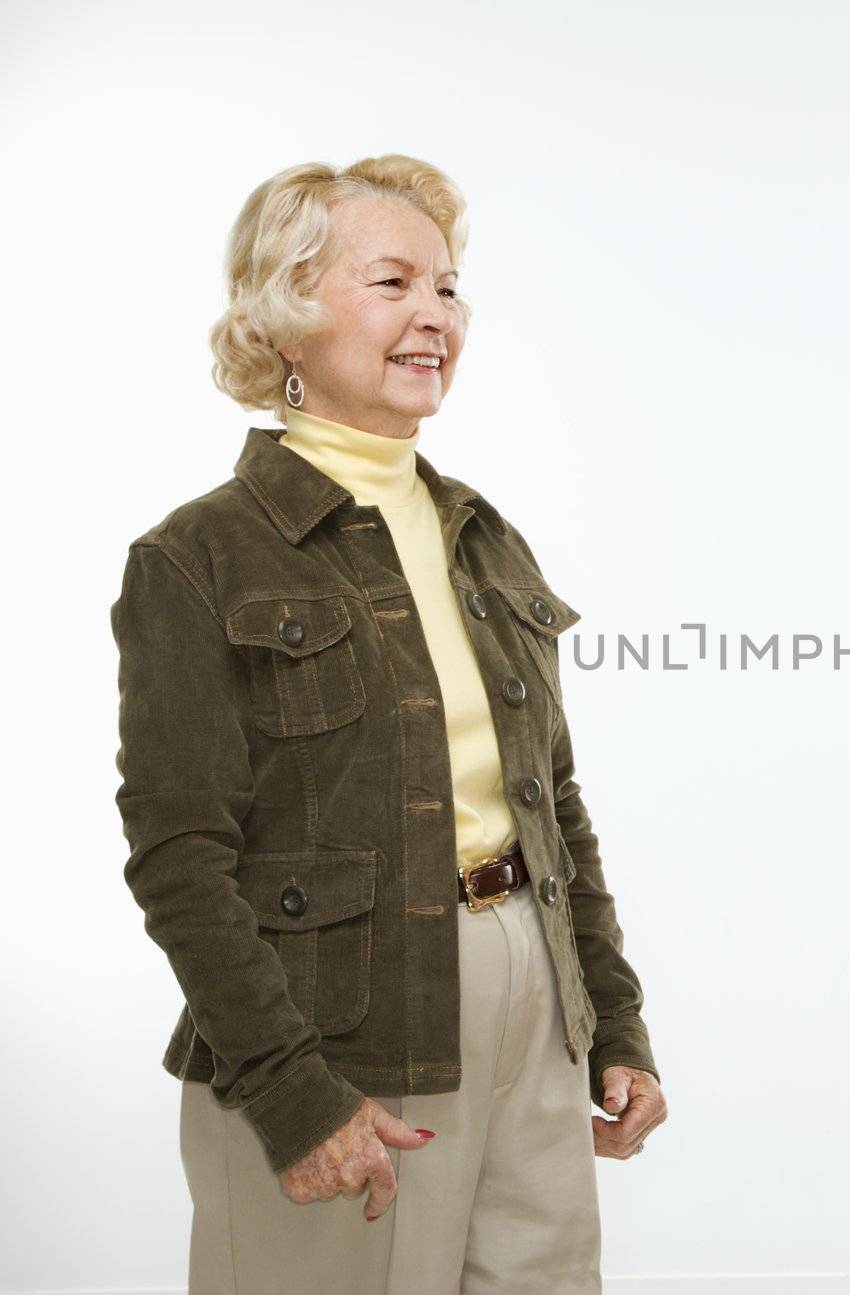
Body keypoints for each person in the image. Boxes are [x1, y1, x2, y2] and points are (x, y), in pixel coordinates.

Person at [109, 154, 666, 1294]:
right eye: (393, 283)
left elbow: (550, 802)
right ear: (287, 314)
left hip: (527, 999)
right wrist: (290, 1089)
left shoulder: (482, 537)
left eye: (449, 289)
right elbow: (179, 855)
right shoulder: (196, 556)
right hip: (335, 1030)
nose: (435, 317)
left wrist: (612, 1018)